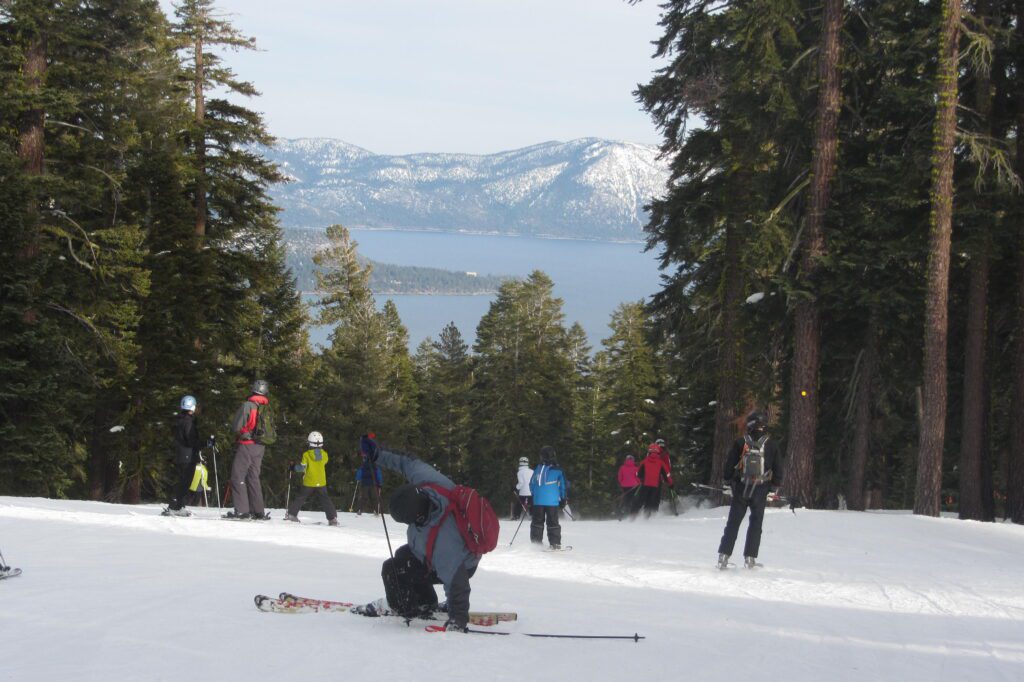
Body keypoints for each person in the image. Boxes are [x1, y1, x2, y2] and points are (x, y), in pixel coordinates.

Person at [355, 437, 483, 632]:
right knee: (404, 556)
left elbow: (458, 582)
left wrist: (457, 619)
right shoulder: (429, 483)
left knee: (393, 570)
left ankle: (402, 607)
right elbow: (407, 462)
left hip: (463, 563)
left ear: (417, 517)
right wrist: (377, 454)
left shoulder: (443, 540)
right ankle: (426, 603)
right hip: (458, 552)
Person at [717, 411, 784, 569]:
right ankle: (750, 559)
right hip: (761, 489)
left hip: (741, 487)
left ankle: (723, 557)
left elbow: (729, 466)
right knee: (756, 524)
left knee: (733, 523)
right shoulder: (772, 444)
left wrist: (727, 482)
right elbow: (778, 470)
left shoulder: (741, 442)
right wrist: (774, 488)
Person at [225, 379, 273, 520]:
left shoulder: (248, 405)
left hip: (247, 444)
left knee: (237, 476)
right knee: (253, 477)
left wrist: (243, 434)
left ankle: (242, 511)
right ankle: (258, 511)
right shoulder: (267, 407)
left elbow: (237, 426)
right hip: (261, 446)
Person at [284, 431, 339, 525]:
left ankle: (292, 514)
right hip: (321, 482)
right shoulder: (325, 454)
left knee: (301, 497)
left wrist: (293, 467)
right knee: (325, 499)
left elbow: (302, 468)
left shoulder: (306, 454)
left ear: (309, 443)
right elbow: (324, 462)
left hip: (309, 481)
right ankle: (332, 519)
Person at [163, 395, 201, 517]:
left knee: (183, 480)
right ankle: (175, 506)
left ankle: (179, 505)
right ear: (193, 407)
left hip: (182, 453)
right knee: (185, 481)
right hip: (187, 455)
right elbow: (190, 440)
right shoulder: (188, 421)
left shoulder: (181, 419)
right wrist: (205, 443)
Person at [529, 446, 567, 548]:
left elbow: (531, 483)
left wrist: (533, 495)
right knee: (553, 522)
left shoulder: (538, 468)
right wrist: (563, 499)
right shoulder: (558, 470)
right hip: (552, 501)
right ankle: (555, 543)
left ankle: (536, 543)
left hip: (538, 501)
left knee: (537, 522)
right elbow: (563, 485)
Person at [634, 441, 673, 517]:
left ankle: (636, 514)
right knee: (654, 498)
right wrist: (670, 482)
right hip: (658, 481)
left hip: (646, 481)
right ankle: (651, 514)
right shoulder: (664, 457)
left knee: (642, 497)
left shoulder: (647, 457)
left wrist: (641, 479)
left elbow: (640, 471)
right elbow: (667, 470)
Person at [352, 432, 383, 515]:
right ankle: (376, 510)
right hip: (373, 482)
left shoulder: (365, 463)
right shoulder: (375, 463)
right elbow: (378, 472)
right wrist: (380, 482)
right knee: (374, 497)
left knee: (363, 497)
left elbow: (360, 472)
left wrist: (358, 479)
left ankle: (360, 510)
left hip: (365, 482)